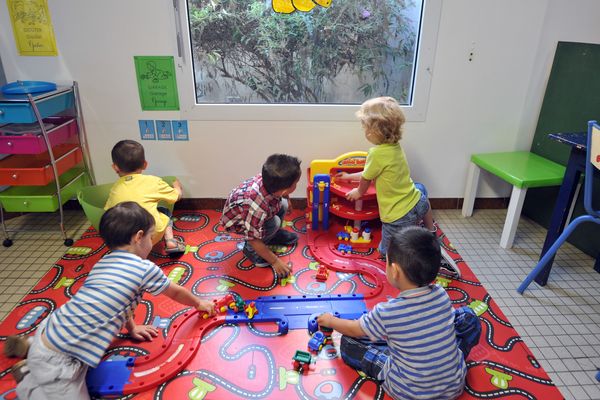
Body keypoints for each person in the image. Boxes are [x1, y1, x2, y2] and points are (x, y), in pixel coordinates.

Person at [7, 202, 216, 399]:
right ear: (139, 237)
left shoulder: (104, 261)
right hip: (60, 361)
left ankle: (30, 352)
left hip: (54, 328)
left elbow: (118, 302)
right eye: (152, 237)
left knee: (57, 344)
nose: (153, 243)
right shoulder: (143, 268)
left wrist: (132, 328)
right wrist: (199, 303)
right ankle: (29, 381)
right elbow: (176, 292)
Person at [317, 226, 481, 400]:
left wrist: (331, 321)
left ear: (394, 271)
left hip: (409, 391)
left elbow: (354, 330)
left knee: (348, 343)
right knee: (468, 316)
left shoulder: (387, 312)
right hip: (453, 386)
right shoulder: (442, 294)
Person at [337, 96, 435, 256]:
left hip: (398, 216)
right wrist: (348, 176)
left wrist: (358, 192)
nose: (364, 131)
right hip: (418, 201)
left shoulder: (375, 153)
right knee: (421, 194)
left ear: (374, 131)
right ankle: (431, 232)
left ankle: (402, 254)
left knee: (386, 251)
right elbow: (370, 172)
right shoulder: (395, 146)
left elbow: (366, 178)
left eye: (365, 127)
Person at [220, 154, 301, 277]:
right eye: (296, 183)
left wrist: (287, 198)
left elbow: (281, 192)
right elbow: (253, 238)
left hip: (256, 212)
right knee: (274, 223)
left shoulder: (271, 181)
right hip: (240, 221)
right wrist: (275, 261)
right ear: (285, 189)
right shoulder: (256, 205)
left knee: (283, 205)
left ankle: (272, 235)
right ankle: (251, 251)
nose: (297, 185)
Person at [105, 139, 185, 254]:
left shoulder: (115, 188)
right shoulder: (153, 181)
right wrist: (177, 186)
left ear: (115, 167)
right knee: (164, 211)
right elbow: (176, 197)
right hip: (150, 235)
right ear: (145, 164)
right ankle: (170, 241)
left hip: (123, 239)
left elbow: (109, 211)